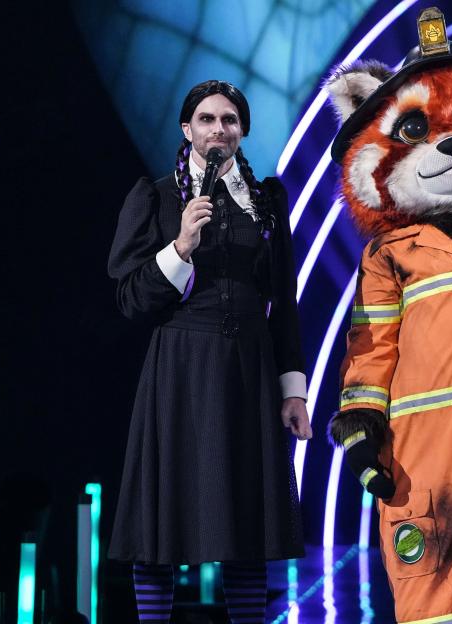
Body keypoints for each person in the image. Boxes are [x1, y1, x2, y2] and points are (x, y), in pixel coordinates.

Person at [106, 80, 312, 624]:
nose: (217, 128)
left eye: (229, 120)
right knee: (162, 519)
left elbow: (284, 301)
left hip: (249, 368)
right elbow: (130, 298)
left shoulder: (267, 200)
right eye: (206, 119)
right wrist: (179, 250)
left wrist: (294, 390)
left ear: (241, 131)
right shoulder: (156, 197)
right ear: (186, 129)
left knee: (246, 520)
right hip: (180, 370)